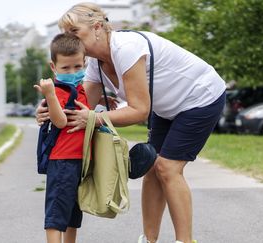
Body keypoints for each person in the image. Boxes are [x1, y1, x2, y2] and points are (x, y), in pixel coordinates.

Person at [36, 2, 226, 243]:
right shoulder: (94, 64)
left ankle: (185, 241)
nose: (70, 39)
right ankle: (149, 240)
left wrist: (94, 118)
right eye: (66, 34)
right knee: (151, 168)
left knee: (167, 168)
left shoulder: (126, 48)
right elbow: (80, 106)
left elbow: (138, 110)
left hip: (200, 96)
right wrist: (47, 109)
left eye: (75, 32)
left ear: (96, 27)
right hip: (166, 107)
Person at [33, 33, 90, 243]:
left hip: (79, 160)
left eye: (77, 66)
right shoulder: (57, 91)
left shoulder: (80, 88)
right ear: (53, 67)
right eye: (66, 68)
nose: (73, 72)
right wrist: (49, 95)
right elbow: (59, 121)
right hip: (62, 160)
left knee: (73, 214)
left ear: (85, 62)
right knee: (57, 213)